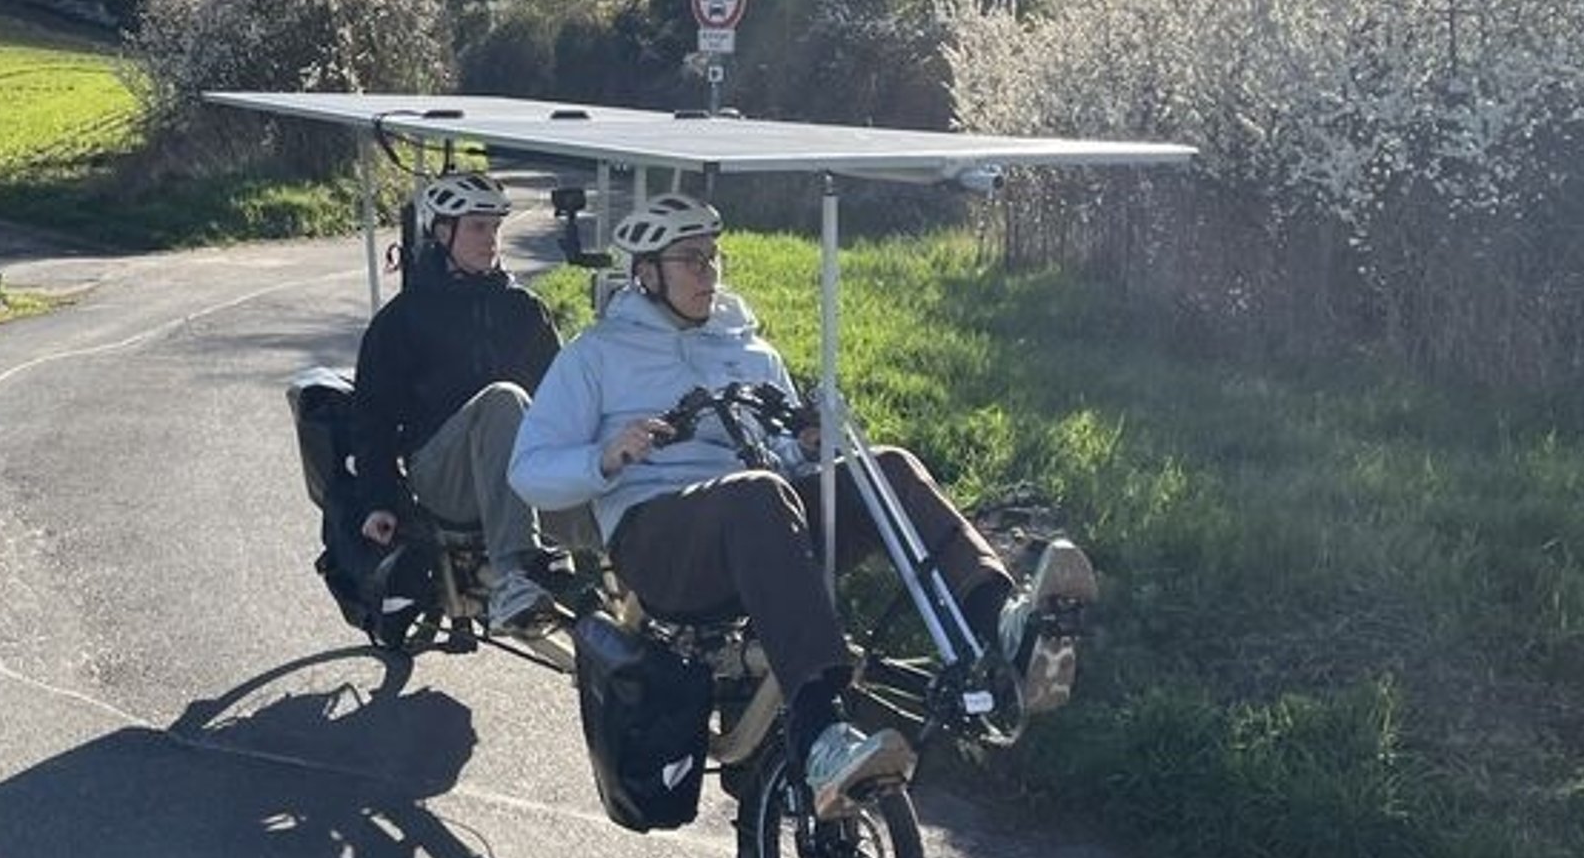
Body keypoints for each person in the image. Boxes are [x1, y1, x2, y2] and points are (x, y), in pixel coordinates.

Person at [510, 192, 1097, 817]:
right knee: (755, 496)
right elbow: (529, 470)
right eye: (690, 259)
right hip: (659, 541)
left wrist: (811, 449)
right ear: (646, 272)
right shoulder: (596, 355)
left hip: (759, 524)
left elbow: (783, 463)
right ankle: (820, 732)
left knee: (887, 468)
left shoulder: (748, 348)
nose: (709, 272)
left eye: (714, 257)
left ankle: (1001, 623)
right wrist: (604, 456)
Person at [350, 171, 568, 637]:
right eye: (476, 227)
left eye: (494, 228)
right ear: (441, 231)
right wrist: (378, 501)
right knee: (504, 399)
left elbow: (563, 395)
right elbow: (373, 417)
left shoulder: (524, 308)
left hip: (515, 468)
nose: (490, 239)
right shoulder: (405, 318)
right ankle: (513, 577)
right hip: (440, 473)